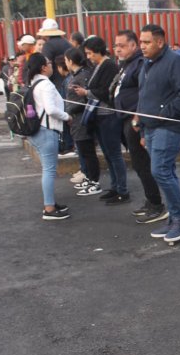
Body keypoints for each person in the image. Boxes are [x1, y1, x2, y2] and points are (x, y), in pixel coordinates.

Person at [137, 24, 180, 243]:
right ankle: (174, 218)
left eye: (146, 42)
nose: (142, 46)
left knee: (160, 170)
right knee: (165, 171)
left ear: (160, 42)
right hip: (152, 128)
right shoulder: (147, 64)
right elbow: (144, 98)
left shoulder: (176, 62)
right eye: (141, 42)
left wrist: (163, 115)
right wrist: (143, 126)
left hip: (171, 127)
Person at [112, 29, 168, 224]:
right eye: (116, 46)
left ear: (133, 45)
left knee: (143, 164)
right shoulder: (127, 65)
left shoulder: (140, 64)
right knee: (138, 163)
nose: (117, 49)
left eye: (122, 46)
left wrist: (137, 120)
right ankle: (150, 200)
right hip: (127, 118)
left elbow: (145, 94)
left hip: (136, 121)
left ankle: (156, 204)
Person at [73, 36, 129, 205]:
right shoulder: (100, 66)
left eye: (90, 53)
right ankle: (115, 187)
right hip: (99, 116)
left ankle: (122, 190)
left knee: (114, 154)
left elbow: (106, 92)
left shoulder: (109, 66)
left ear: (98, 51)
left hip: (108, 116)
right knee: (108, 154)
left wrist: (86, 93)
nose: (88, 57)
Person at [25, 53, 71, 220]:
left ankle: (50, 203)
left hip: (38, 131)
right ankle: (49, 208)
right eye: (49, 63)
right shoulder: (46, 85)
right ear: (43, 67)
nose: (51, 65)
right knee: (49, 170)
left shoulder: (35, 83)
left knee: (48, 169)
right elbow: (51, 109)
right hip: (47, 131)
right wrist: (67, 116)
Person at [63, 48, 99, 196]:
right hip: (77, 120)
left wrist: (69, 110)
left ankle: (94, 181)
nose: (65, 63)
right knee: (84, 151)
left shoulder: (80, 77)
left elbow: (83, 100)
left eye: (66, 60)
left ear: (71, 61)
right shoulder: (79, 75)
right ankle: (90, 178)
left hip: (82, 120)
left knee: (88, 152)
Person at [38, 18, 73, 90]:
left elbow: (45, 63)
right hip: (70, 79)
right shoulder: (67, 43)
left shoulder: (48, 45)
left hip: (55, 82)